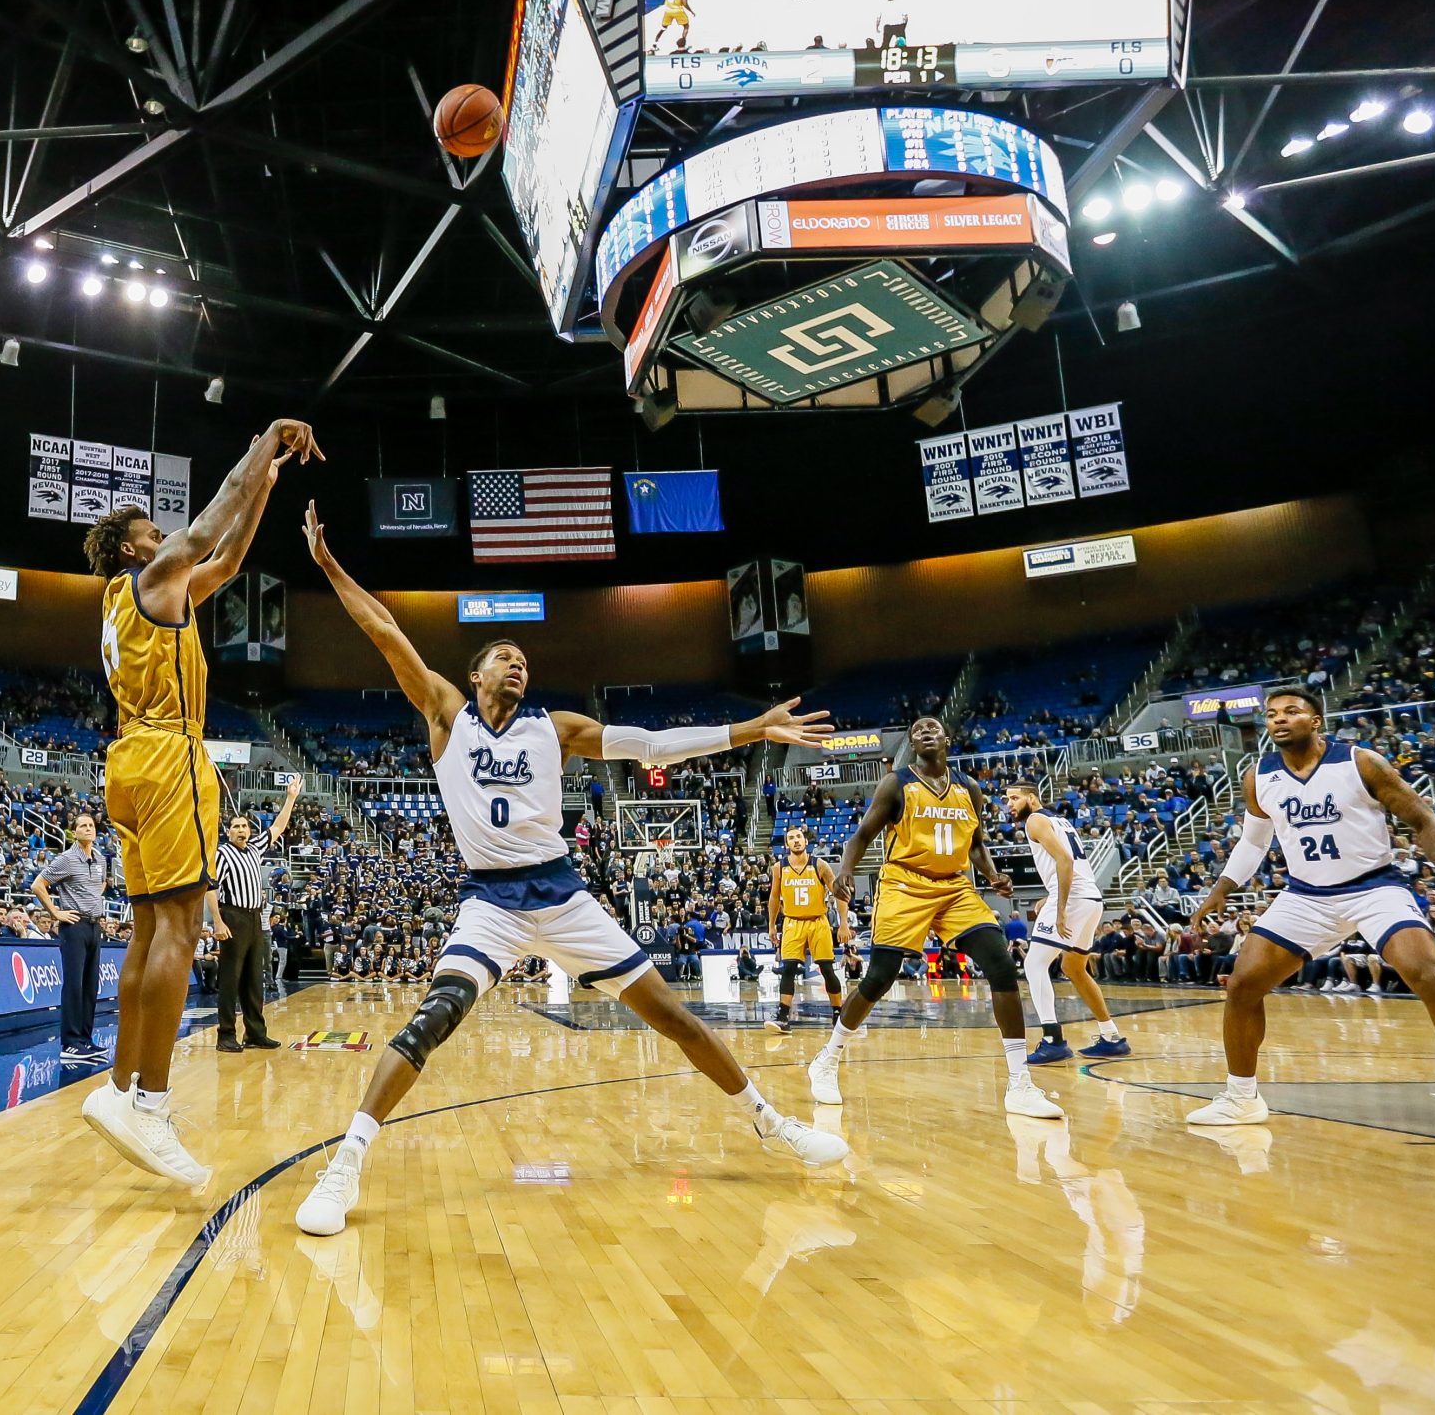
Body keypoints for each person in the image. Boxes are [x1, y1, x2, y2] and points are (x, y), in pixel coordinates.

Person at [293, 503, 845, 1238]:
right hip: (490, 900)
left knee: (673, 1015)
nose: (519, 662)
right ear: (475, 672)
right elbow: (383, 630)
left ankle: (771, 1122)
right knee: (435, 1014)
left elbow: (652, 745)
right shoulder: (444, 713)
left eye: (525, 658)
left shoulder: (556, 729)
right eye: (505, 656)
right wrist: (329, 565)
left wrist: (749, 728)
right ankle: (346, 1163)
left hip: (560, 892)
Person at [77, 417, 320, 1186]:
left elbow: (229, 551)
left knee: (151, 928)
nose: (167, 534)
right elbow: (211, 520)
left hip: (128, 762)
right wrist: (261, 446)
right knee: (182, 927)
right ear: (130, 549)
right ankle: (149, 1103)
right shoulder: (150, 578)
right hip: (169, 750)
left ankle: (118, 1088)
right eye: (154, 530)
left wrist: (268, 485)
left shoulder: (134, 598)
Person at [1184, 687, 1435, 1162]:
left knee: (1431, 978)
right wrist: (1223, 888)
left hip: (1374, 888)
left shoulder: (1361, 762)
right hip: (1305, 895)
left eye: (1292, 711)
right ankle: (1242, 1098)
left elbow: (1425, 822)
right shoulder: (1260, 776)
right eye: (1271, 714)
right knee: (1243, 986)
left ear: (1316, 721)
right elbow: (1254, 842)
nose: (1278, 720)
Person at [807, 718, 1059, 1121]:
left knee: (1000, 965)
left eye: (933, 726)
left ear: (946, 739)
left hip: (955, 888)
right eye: (917, 729)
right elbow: (861, 835)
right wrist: (846, 870)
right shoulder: (896, 783)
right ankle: (827, 1059)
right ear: (912, 742)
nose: (925, 730)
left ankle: (1020, 1084)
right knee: (880, 977)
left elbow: (975, 843)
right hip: (905, 883)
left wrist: (992, 874)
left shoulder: (969, 788)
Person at [1005, 782, 1128, 1065]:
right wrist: (1049, 896)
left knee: (1034, 964)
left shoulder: (1035, 821)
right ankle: (1111, 1036)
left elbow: (1064, 860)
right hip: (1090, 899)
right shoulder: (1059, 820)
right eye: (1007, 799)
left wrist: (1058, 908)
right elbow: (1067, 863)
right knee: (1073, 968)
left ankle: (1053, 1040)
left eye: (1014, 798)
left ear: (1032, 798)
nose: (1009, 804)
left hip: (1073, 900)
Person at [214, 773, 300, 1052]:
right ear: (229, 832)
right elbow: (210, 888)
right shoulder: (223, 853)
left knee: (254, 978)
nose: (241, 829)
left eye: (244, 826)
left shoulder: (255, 848)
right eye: (236, 826)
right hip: (233, 916)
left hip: (255, 918)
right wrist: (217, 921)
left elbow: (278, 826)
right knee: (230, 978)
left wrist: (290, 798)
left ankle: (255, 1032)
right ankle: (226, 1034)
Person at [34, 812, 111, 1065]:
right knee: (74, 985)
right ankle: (70, 1043)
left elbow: (100, 885)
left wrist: (92, 902)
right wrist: (55, 912)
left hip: (94, 926)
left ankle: (85, 1040)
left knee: (90, 986)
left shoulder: (99, 857)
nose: (88, 828)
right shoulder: (66, 859)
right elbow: (38, 885)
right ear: (73, 831)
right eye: (82, 826)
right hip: (74, 926)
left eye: (91, 825)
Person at [765, 827, 846, 1032]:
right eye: (791, 838)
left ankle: (838, 1013)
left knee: (827, 969)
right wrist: (772, 925)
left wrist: (844, 923)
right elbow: (774, 897)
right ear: (786, 844)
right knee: (788, 968)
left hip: (818, 921)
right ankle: (783, 1017)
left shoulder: (819, 865)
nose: (796, 841)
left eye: (798, 837)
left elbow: (838, 893)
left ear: (805, 841)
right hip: (792, 922)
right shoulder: (779, 867)